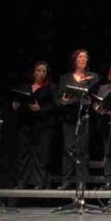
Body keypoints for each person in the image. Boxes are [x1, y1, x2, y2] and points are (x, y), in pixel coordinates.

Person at [56, 49, 99, 190]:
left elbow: (95, 96)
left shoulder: (92, 77)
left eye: (85, 57)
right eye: (80, 57)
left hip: (84, 116)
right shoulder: (65, 78)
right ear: (74, 60)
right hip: (69, 117)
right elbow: (58, 100)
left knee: (83, 149)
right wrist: (63, 100)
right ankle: (66, 180)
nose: (83, 59)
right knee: (68, 149)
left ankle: (82, 181)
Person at [12, 61, 56, 189]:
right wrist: (16, 105)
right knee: (23, 153)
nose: (41, 73)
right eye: (38, 70)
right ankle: (21, 181)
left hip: (43, 125)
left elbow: (55, 106)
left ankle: (39, 182)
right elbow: (19, 101)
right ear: (33, 72)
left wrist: (40, 108)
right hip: (26, 124)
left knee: (41, 155)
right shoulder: (25, 87)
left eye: (44, 71)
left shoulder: (51, 87)